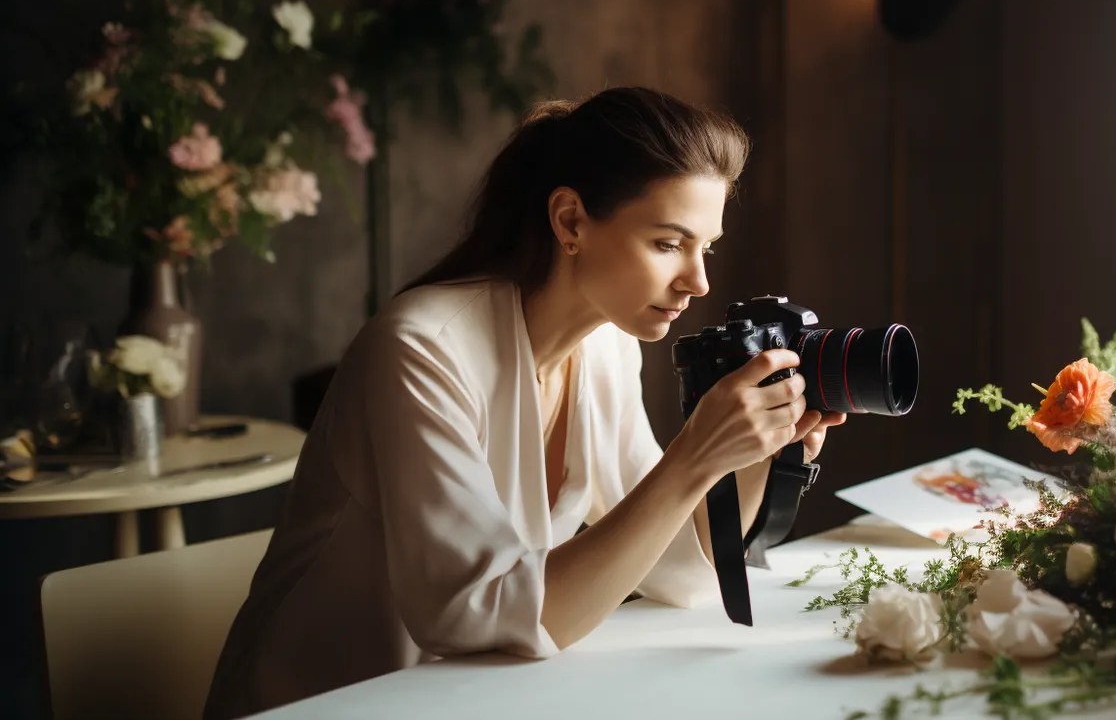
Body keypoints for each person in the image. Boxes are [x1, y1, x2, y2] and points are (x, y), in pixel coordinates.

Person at [201, 86, 846, 719]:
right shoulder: (423, 349)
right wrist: (691, 460)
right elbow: (478, 616)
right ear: (570, 221)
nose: (698, 280)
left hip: (475, 697)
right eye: (668, 243)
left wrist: (754, 449)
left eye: (707, 247)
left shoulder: (606, 345)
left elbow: (681, 571)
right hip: (331, 701)